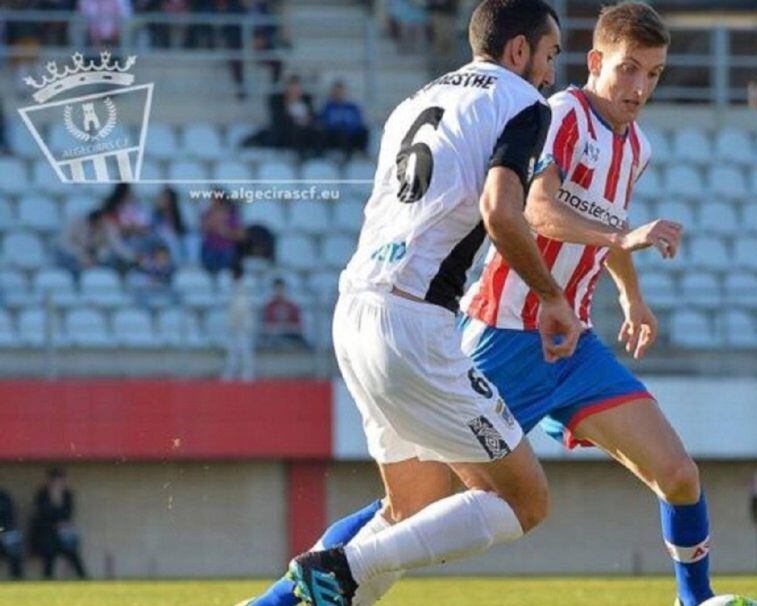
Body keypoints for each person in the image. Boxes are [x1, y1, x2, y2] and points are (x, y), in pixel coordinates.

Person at [245, 4, 731, 606]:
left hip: (566, 341)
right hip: (502, 331)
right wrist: (593, 258)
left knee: (678, 474)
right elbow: (530, 209)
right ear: (593, 61)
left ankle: (697, 600)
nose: (640, 88)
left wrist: (633, 296)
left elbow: (609, 221)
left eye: (654, 75)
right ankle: (302, 589)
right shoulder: (550, 112)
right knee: (424, 508)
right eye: (630, 70)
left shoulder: (634, 146)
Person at [279, 3, 579, 606]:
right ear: (519, 51)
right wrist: (552, 295)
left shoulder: (410, 104)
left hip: (355, 308)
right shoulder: (523, 102)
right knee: (526, 500)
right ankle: (340, 564)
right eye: (549, 56)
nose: (549, 74)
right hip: (413, 322)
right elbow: (500, 211)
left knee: (410, 509)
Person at [31, 468, 87, 580]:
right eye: (55, 480)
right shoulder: (42, 495)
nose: (58, 483)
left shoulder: (67, 495)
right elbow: (43, 513)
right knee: (49, 557)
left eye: (60, 480)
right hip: (47, 533)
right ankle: (47, 581)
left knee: (73, 555)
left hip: (63, 533)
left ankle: (83, 579)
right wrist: (54, 520)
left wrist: (58, 502)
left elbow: (68, 513)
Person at [222, 264, 256, 381]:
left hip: (244, 324)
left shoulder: (246, 286)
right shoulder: (231, 286)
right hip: (234, 324)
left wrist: (240, 322)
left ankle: (248, 374)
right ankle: (230, 373)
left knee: (245, 349)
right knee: (232, 350)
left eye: (231, 273)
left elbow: (243, 307)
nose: (230, 275)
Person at [319, 81, 369, 159]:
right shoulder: (328, 107)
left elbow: (358, 122)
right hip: (335, 136)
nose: (338, 94)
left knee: (364, 131)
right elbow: (325, 122)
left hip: (351, 134)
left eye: (340, 92)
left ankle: (361, 154)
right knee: (340, 133)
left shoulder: (352, 107)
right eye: (336, 92)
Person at [200, 194, 245, 273]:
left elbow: (241, 236)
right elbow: (203, 229)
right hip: (210, 249)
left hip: (226, 251)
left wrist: (227, 232)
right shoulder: (208, 214)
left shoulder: (231, 216)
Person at [260, 277, 307, 348]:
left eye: (281, 289)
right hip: (274, 336)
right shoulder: (269, 306)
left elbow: (299, 326)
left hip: (290, 335)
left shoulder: (292, 306)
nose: (279, 292)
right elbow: (266, 326)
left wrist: (288, 326)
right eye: (277, 289)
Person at [0, 487, 25, 579]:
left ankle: (17, 579)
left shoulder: (3, 496)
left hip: (4, 534)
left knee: (14, 546)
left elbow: (9, 520)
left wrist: (1, 531)